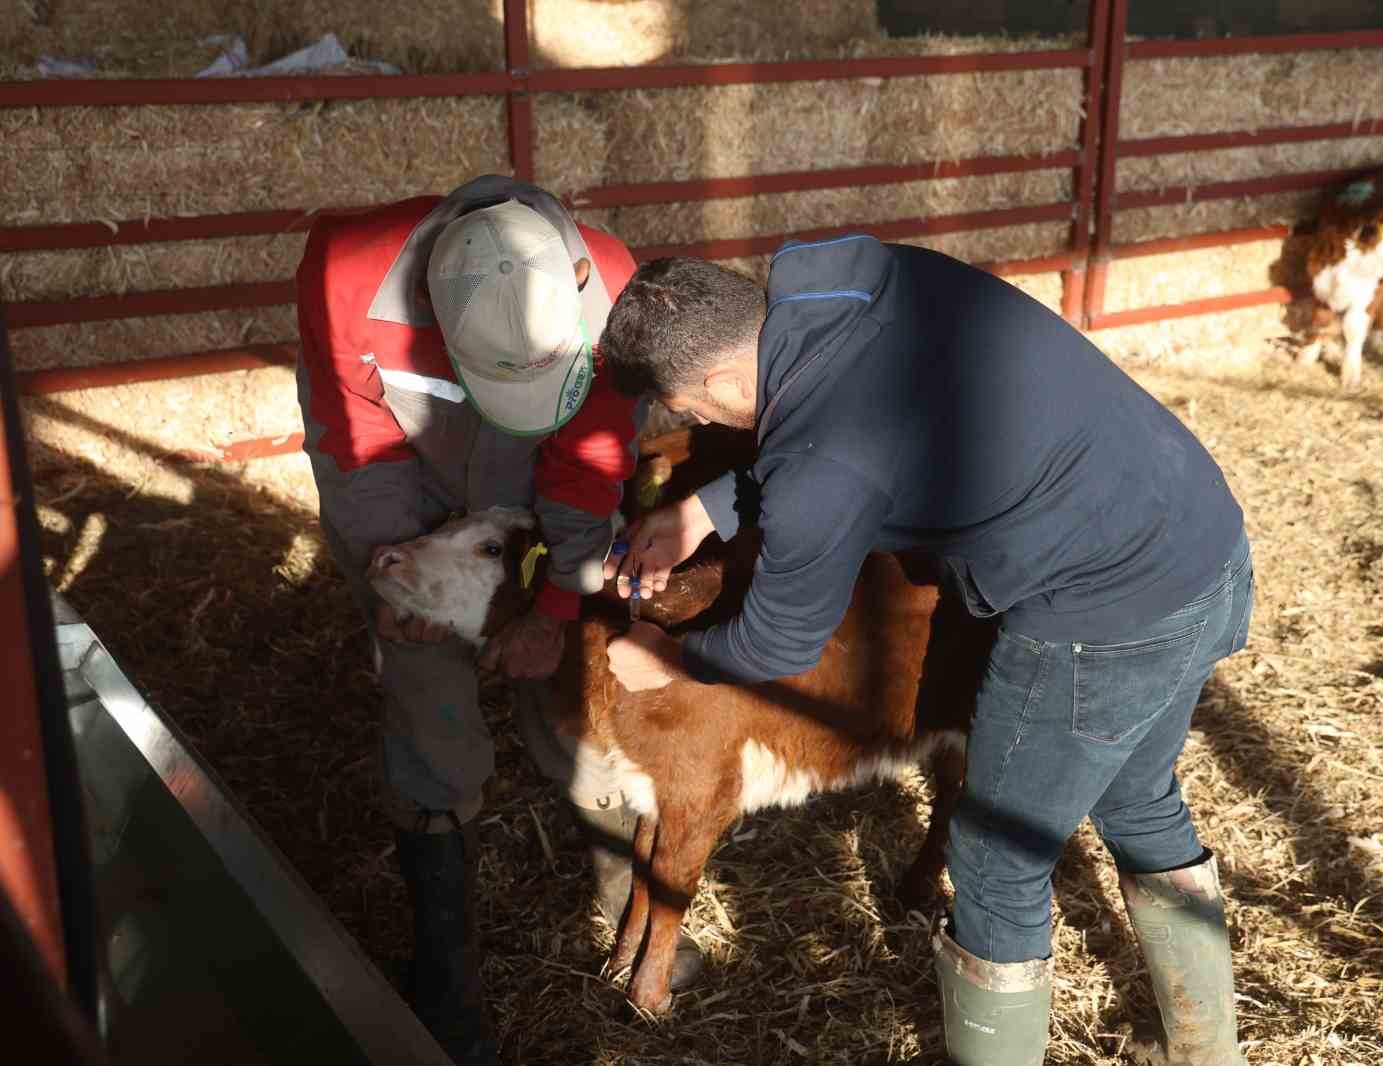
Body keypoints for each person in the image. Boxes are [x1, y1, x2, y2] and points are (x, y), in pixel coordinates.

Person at [598, 238, 1254, 1066]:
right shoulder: (855, 281)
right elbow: (839, 428)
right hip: (1201, 539)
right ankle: (1207, 1052)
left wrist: (671, 661)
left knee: (994, 860)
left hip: (1103, 612)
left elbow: (780, 637)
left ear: (727, 381)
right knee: (1140, 799)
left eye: (691, 408)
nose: (696, 424)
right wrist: (702, 510)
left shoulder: (819, 467)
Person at [294, 175, 699, 1066]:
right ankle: (445, 963)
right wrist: (402, 578)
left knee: (574, 665)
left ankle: (616, 878)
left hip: (537, 480)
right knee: (428, 690)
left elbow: (588, 464)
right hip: (412, 482)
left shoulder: (614, 287)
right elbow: (359, 448)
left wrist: (553, 605)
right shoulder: (348, 275)